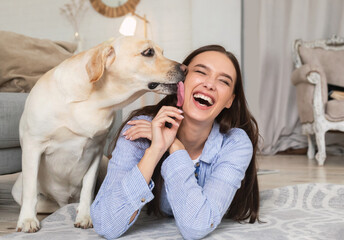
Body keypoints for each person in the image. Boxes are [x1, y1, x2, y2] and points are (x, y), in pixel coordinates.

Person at [90, 45, 260, 239]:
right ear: (181, 82)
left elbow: (196, 226)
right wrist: (155, 150)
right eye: (201, 72)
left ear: (229, 100)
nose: (210, 84)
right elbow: (105, 223)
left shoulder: (235, 144)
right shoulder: (138, 130)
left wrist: (174, 146)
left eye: (223, 81)